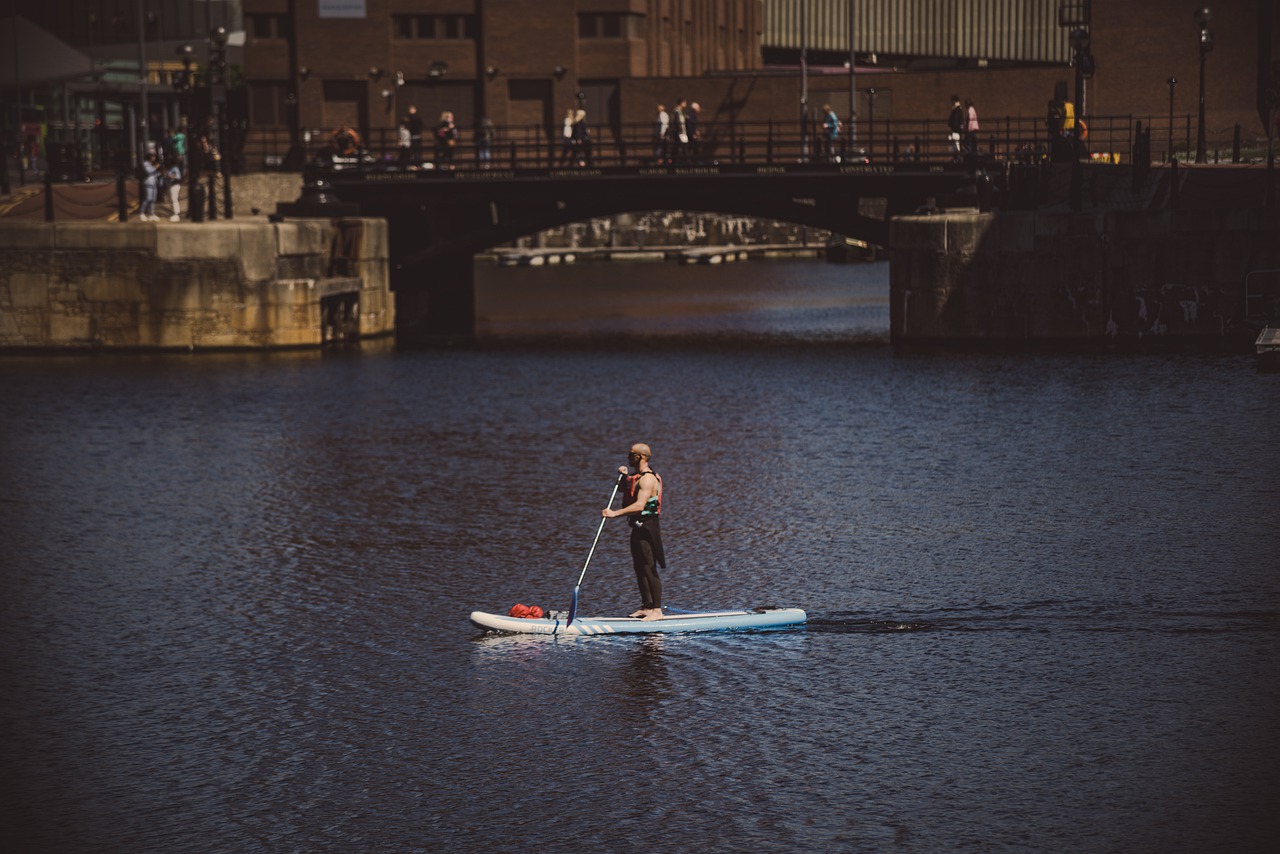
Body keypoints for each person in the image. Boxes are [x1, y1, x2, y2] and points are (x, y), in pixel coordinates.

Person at [602, 443, 666, 621]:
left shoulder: (648, 479)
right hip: (637, 527)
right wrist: (622, 477)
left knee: (648, 567)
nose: (628, 457)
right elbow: (625, 489)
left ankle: (657, 610)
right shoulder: (635, 476)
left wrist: (614, 514)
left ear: (641, 457)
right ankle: (647, 607)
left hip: (648, 527)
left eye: (631, 455)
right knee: (639, 567)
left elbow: (639, 505)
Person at [140, 152, 160, 221]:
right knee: (147, 199)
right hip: (148, 183)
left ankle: (152, 214)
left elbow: (154, 173)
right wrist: (156, 167)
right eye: (152, 156)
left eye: (154, 156)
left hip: (154, 183)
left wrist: (159, 173)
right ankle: (142, 213)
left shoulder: (151, 164)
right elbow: (149, 171)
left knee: (153, 200)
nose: (154, 158)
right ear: (149, 157)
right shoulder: (145, 164)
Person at [165, 157, 183, 221]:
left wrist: (170, 176)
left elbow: (178, 176)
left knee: (174, 199)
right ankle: (174, 213)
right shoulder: (171, 168)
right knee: (172, 200)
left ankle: (176, 214)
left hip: (174, 185)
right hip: (171, 185)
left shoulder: (175, 168)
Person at [947, 94, 964, 160]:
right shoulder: (958, 109)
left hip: (955, 131)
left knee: (956, 145)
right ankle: (957, 158)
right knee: (956, 145)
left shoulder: (956, 109)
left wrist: (953, 129)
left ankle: (957, 158)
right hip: (957, 130)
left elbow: (956, 120)